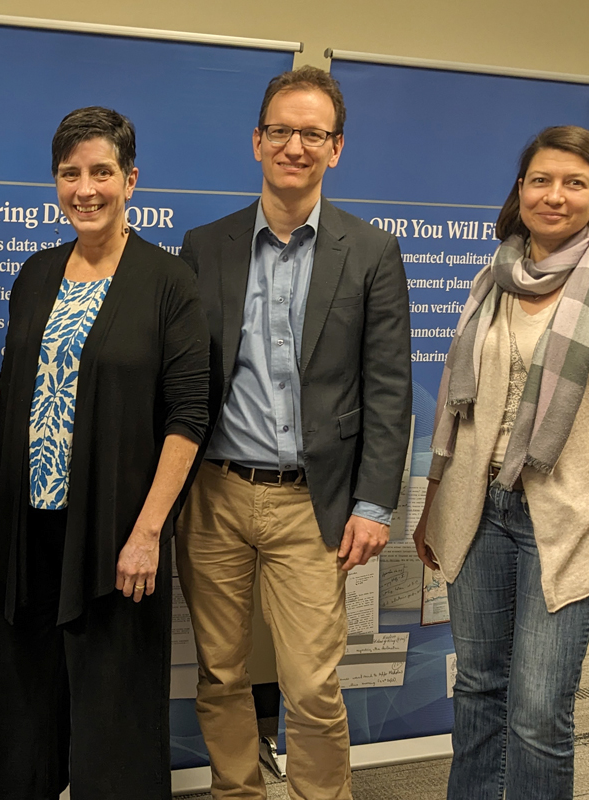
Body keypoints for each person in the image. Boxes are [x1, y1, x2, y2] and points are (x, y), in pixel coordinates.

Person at [176, 66, 411, 800]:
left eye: (313, 133)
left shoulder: (370, 252)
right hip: (214, 495)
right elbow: (182, 383)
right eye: (281, 130)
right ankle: (237, 792)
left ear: (335, 149)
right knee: (219, 672)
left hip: (311, 505)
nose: (295, 146)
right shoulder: (205, 246)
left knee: (311, 684)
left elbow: (388, 388)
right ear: (257, 141)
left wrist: (375, 504)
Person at [0, 106, 210, 800]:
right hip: (29, 536)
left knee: (112, 718)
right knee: (23, 710)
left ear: (131, 180)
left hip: (115, 540)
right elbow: (12, 395)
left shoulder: (169, 285)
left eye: (102, 172)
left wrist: (148, 533)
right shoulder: (36, 274)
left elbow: (189, 415)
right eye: (70, 173)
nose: (86, 188)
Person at [414, 125, 589, 800]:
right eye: (541, 180)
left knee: (540, 710)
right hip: (475, 511)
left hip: (574, 519)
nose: (555, 195)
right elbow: (459, 409)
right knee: (479, 689)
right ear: (520, 190)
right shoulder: (494, 277)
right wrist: (432, 507)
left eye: (574, 183)